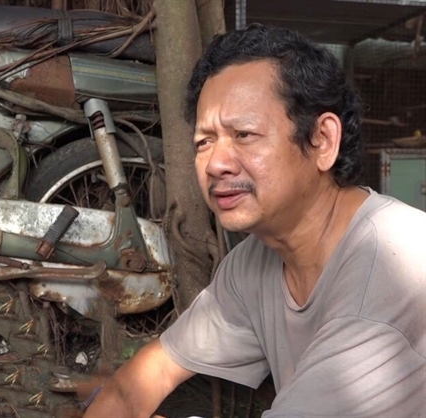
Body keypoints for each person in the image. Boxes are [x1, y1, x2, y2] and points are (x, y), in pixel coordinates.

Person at [83, 24, 426, 417]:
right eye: (203, 142)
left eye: (244, 134)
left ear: (323, 140)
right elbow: (143, 380)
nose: (215, 164)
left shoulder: (395, 270)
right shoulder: (255, 263)